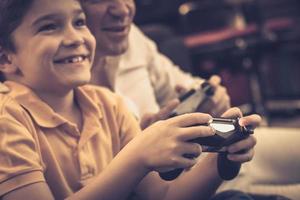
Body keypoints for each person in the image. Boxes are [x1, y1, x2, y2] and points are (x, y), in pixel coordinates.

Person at [0, 0, 260, 199]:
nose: (75, 38)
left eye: (79, 23)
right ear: (5, 58)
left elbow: (164, 195)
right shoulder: (6, 119)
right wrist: (137, 157)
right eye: (49, 27)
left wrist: (223, 160)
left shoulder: (111, 105)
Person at [80, 0, 231, 128]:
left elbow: (182, 86)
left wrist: (211, 100)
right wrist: (140, 143)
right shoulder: (61, 79)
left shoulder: (130, 36)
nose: (123, 10)